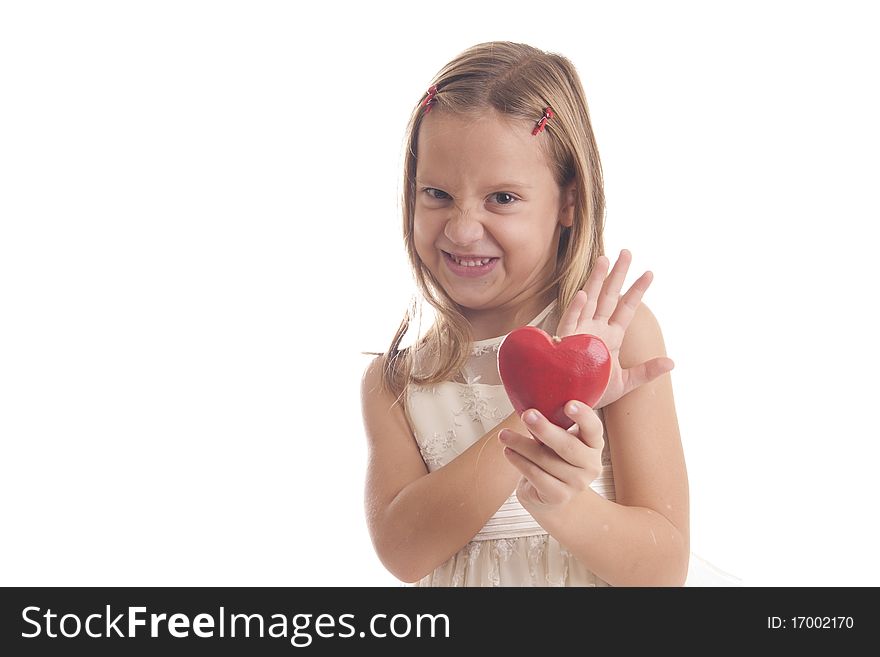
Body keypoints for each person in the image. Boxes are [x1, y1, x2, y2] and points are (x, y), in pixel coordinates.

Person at [361, 41, 738, 586]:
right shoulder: (396, 381)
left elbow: (662, 572)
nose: (463, 228)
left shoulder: (615, 341)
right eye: (437, 193)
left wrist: (563, 505)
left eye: (503, 199)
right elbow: (403, 551)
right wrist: (547, 408)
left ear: (568, 202)